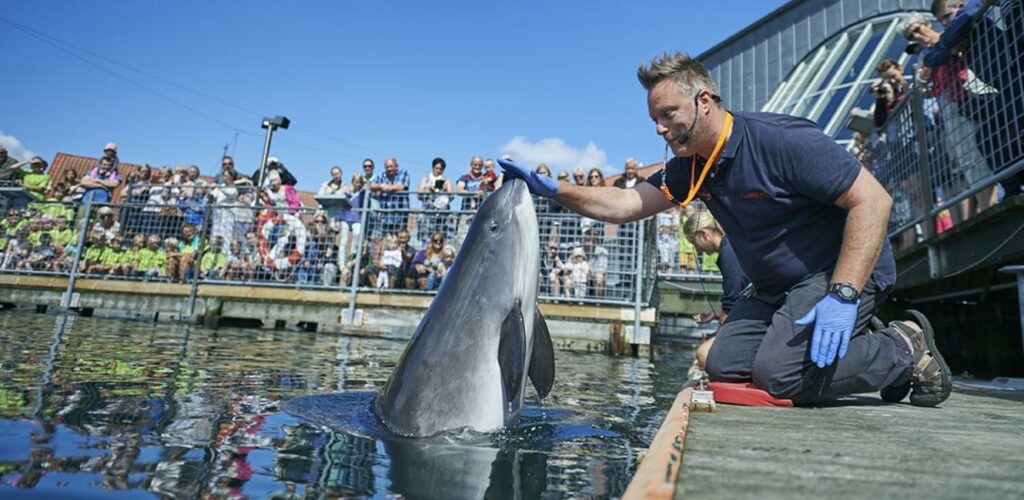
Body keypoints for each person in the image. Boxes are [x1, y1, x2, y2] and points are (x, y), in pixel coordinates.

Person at [498, 51, 952, 407]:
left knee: (781, 375)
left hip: (838, 275)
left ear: (703, 101)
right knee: (722, 364)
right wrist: (555, 189)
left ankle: (902, 348)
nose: (659, 128)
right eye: (654, 119)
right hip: (777, 289)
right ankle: (853, 347)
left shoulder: (779, 140)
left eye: (667, 114)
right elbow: (624, 204)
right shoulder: (691, 167)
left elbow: (874, 201)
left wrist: (845, 293)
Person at [923, 0, 1024, 198]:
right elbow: (930, 59)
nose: (944, 23)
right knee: (986, 138)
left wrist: (948, 42)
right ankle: (1013, 189)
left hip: (1014, 80)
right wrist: (950, 46)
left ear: (959, 5)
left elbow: (965, 17)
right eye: (940, 20)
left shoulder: (971, 14)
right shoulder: (960, 29)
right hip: (1003, 89)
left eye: (946, 16)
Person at [901, 13, 996, 219]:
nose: (916, 35)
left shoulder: (948, 37)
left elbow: (959, 52)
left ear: (927, 24)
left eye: (917, 29)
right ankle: (986, 209)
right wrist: (926, 72)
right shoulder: (924, 55)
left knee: (981, 152)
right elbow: (923, 86)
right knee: (966, 158)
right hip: (948, 105)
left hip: (968, 97)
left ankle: (991, 206)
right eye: (911, 34)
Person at [683, 208, 751, 369]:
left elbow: (733, 297)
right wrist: (717, 314)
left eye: (694, 242)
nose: (697, 249)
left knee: (704, 354)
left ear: (704, 234)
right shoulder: (732, 244)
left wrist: (720, 334)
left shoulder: (729, 252)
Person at [368, 156, 411, 239]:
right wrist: (381, 185)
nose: (389, 169)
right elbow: (371, 185)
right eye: (387, 167)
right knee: (381, 241)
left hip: (399, 215)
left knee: (399, 240)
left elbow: (401, 187)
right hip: (384, 215)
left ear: (396, 166)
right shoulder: (381, 176)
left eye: (391, 166)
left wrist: (386, 188)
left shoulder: (403, 173)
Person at [871, 59, 908, 127]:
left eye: (893, 76)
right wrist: (880, 99)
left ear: (900, 69)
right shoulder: (887, 96)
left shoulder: (910, 86)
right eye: (887, 79)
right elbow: (879, 122)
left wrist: (891, 100)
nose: (892, 81)